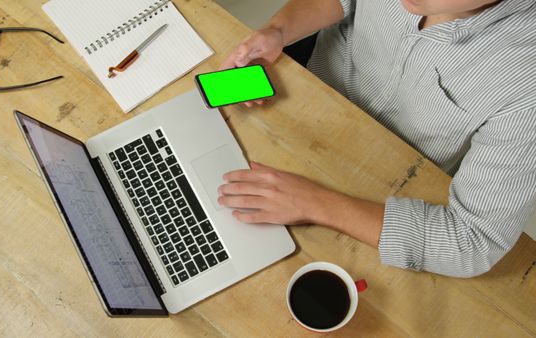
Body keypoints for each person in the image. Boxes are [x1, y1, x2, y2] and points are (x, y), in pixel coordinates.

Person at [217, 0, 536, 277]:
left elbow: (473, 242)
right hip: (293, 115)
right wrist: (279, 30)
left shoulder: (526, 79)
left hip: (375, 204)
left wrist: (313, 203)